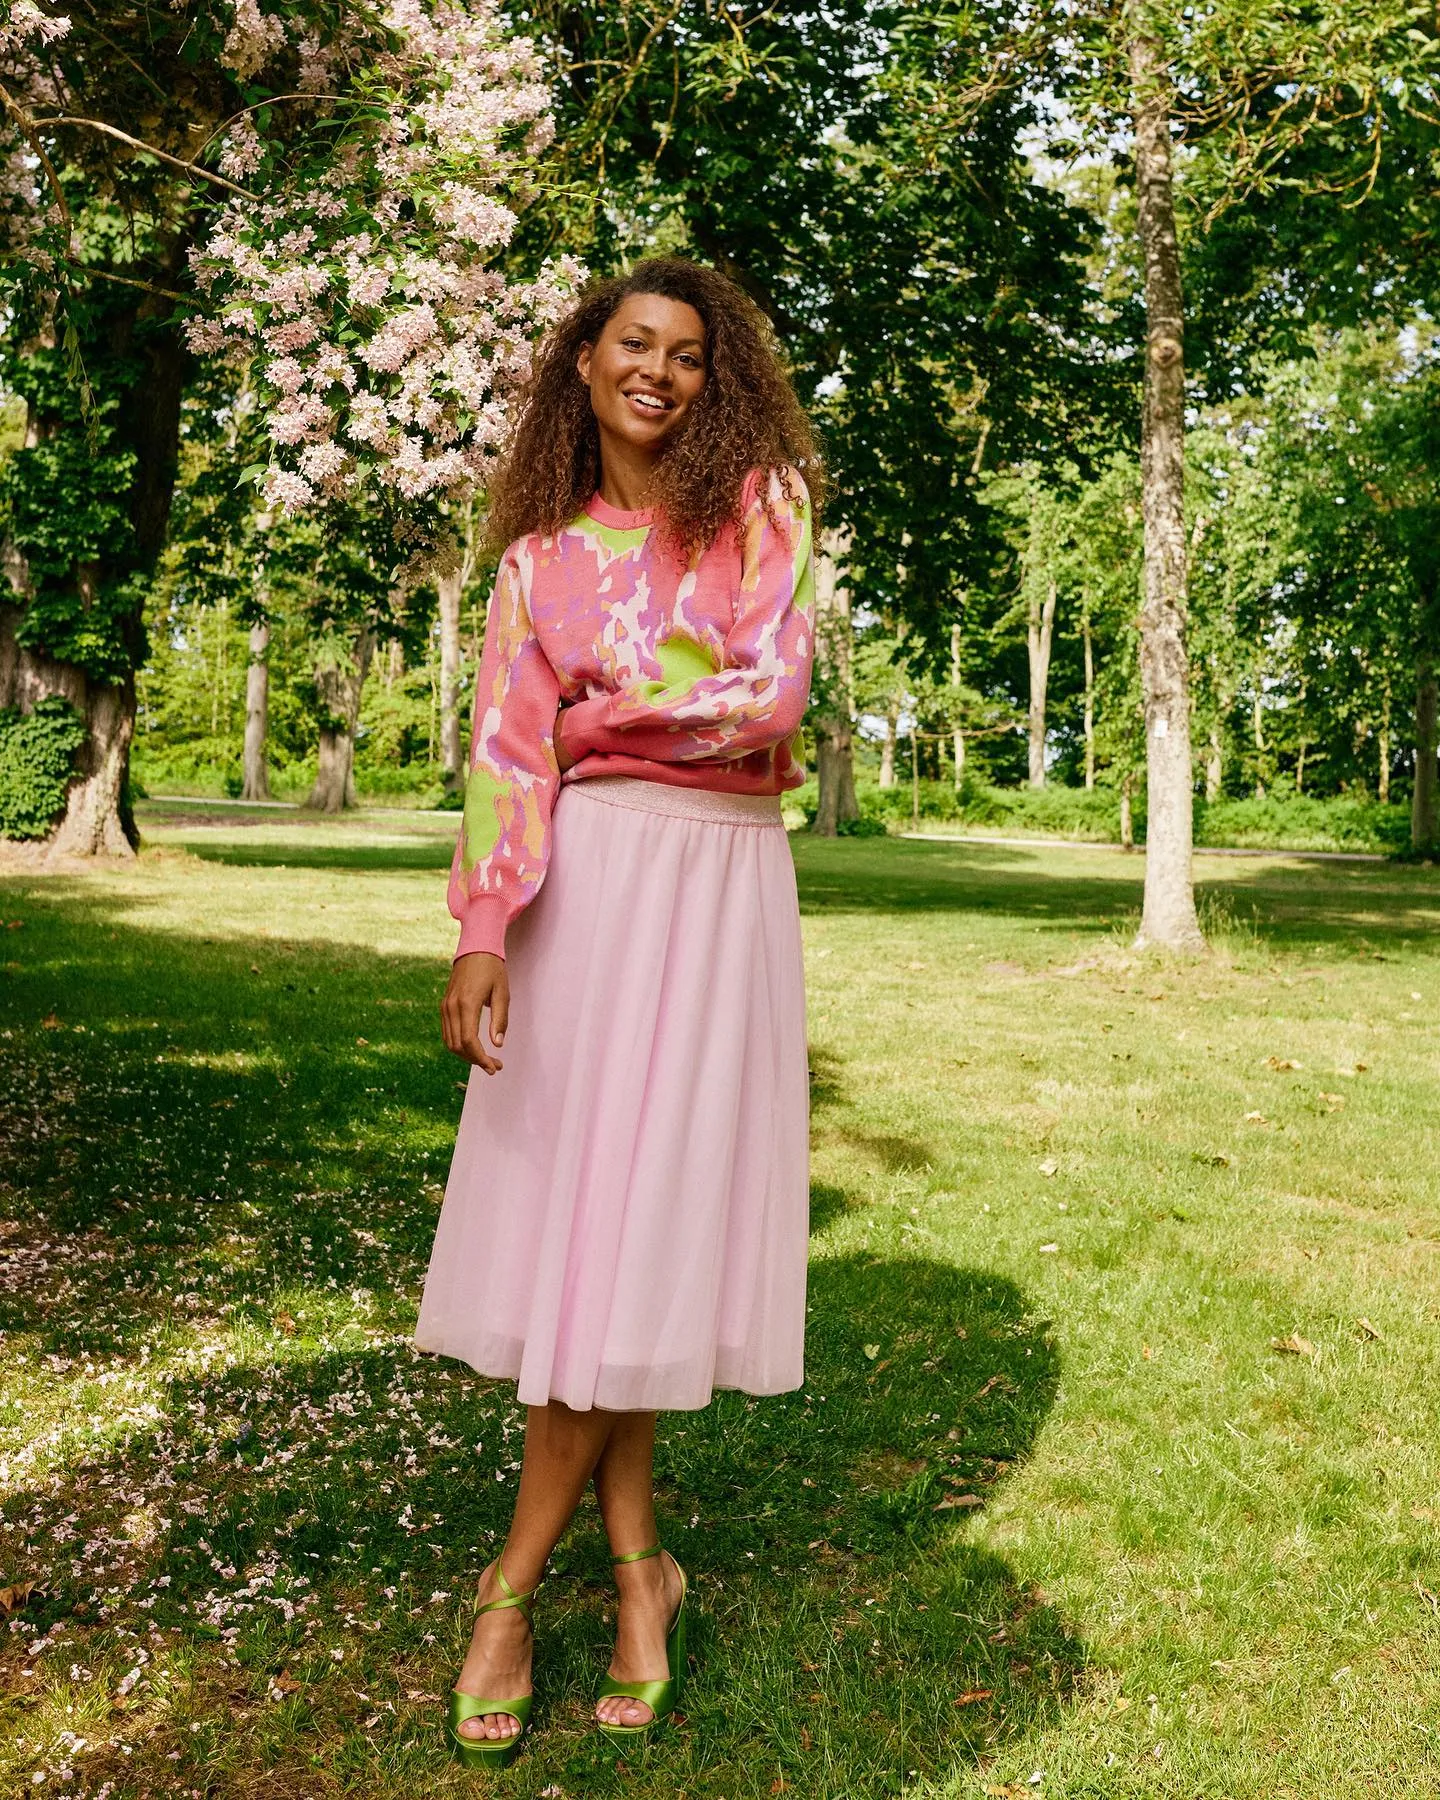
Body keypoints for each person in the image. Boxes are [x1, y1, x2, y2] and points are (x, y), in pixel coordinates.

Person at [414, 256, 821, 1768]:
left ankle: (510, 1590)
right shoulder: (537, 563)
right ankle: (638, 1568)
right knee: (603, 1230)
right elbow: (506, 759)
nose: (659, 369)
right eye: (632, 344)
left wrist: (592, 715)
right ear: (582, 365)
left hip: (719, 890)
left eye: (689, 353)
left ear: (720, 381)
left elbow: (765, 700)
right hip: (585, 899)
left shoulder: (761, 507)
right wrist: (482, 932)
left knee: (641, 1220)